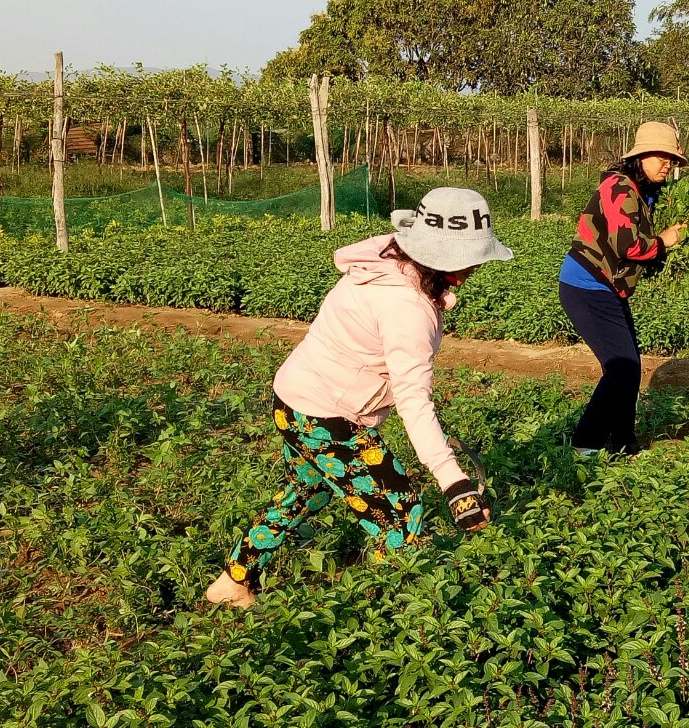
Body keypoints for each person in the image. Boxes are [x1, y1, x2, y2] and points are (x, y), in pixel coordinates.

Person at [205, 187, 513, 609]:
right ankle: (405, 623)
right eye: (473, 258)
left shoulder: (387, 260)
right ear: (452, 264)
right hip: (327, 419)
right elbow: (413, 399)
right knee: (400, 516)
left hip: (293, 401)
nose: (478, 266)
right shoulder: (407, 309)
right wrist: (455, 483)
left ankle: (232, 582)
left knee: (306, 491)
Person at [558, 121, 688, 456]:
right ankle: (584, 444)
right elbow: (628, 245)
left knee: (628, 367)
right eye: (663, 156)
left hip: (607, 288)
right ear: (642, 155)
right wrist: (664, 241)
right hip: (586, 286)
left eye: (672, 158)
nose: (668, 163)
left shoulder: (643, 191)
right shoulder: (619, 187)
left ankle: (623, 443)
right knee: (622, 368)